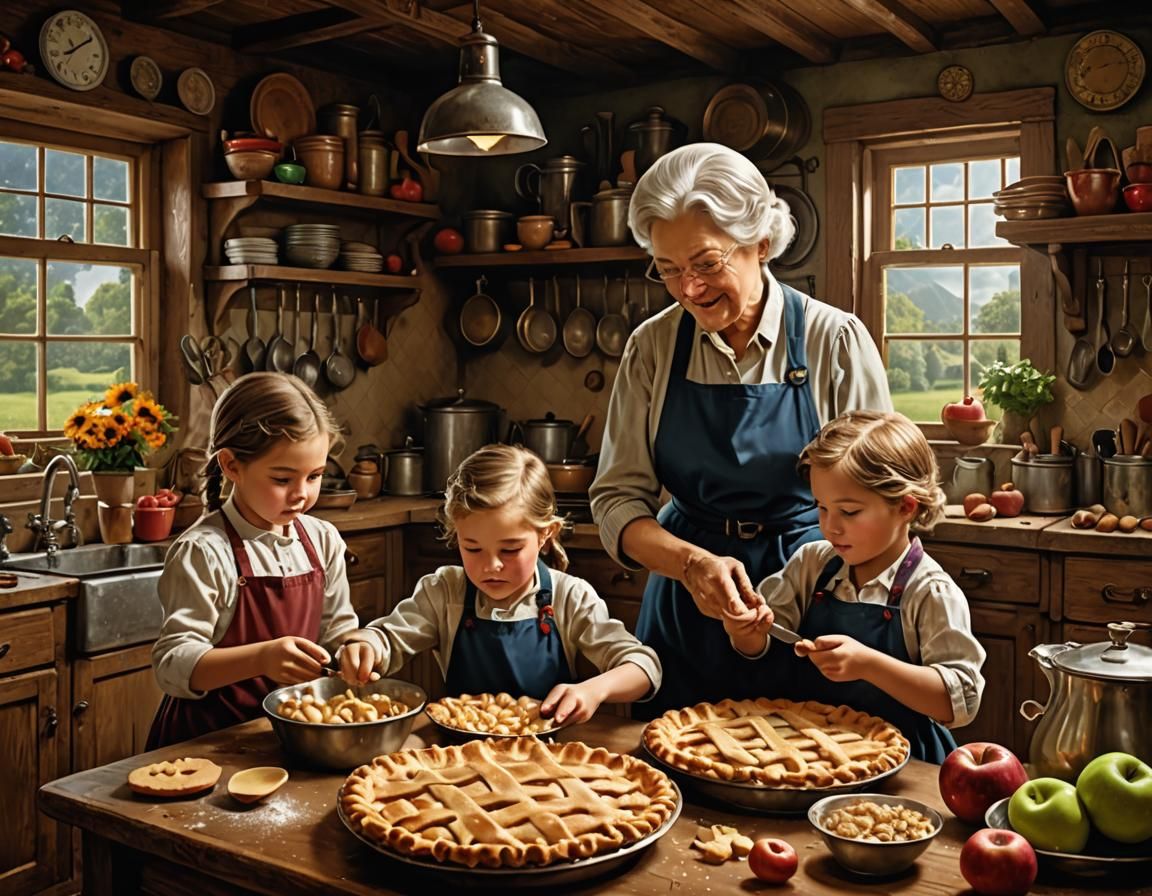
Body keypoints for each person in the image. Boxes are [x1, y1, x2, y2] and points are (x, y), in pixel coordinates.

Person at [590, 142, 892, 717]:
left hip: (810, 608)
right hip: (684, 605)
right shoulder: (652, 347)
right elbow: (615, 501)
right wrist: (690, 564)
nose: (690, 289)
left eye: (706, 264)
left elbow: (883, 501)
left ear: (761, 241)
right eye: (669, 269)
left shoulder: (836, 341)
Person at [723, 411, 986, 763]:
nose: (830, 527)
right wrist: (745, 632)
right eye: (821, 508)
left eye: (848, 512)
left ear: (906, 506)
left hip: (904, 765)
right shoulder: (812, 565)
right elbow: (765, 645)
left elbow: (959, 703)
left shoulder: (929, 591)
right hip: (810, 755)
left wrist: (868, 664)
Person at [340, 444, 660, 725]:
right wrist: (366, 645)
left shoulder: (569, 597)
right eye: (472, 548)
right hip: (459, 758)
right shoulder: (444, 591)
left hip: (546, 759)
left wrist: (594, 690)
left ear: (545, 534)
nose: (491, 565)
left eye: (510, 549)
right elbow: (387, 638)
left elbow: (644, 668)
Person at [148, 372, 361, 748]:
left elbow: (338, 631)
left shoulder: (322, 540)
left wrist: (354, 648)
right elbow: (173, 663)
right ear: (231, 466)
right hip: (206, 744)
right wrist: (261, 658)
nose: (302, 494)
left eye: (314, 476)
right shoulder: (204, 551)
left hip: (287, 735)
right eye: (283, 479)